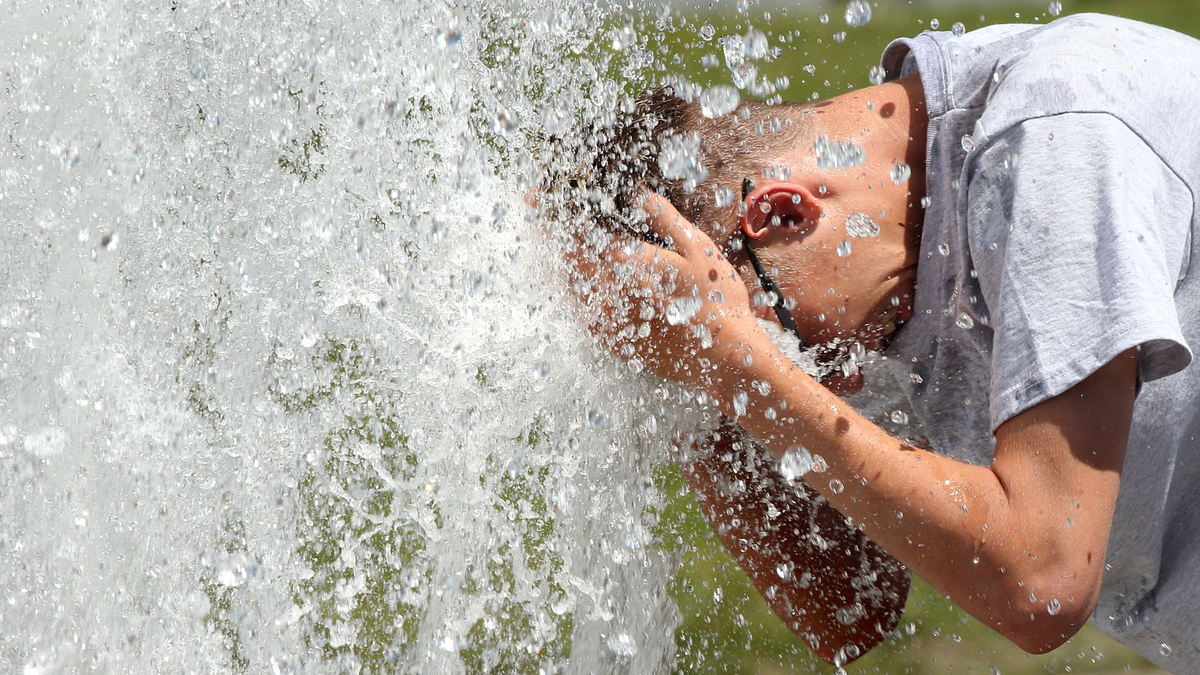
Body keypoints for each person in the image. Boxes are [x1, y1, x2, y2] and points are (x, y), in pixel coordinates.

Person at [546, 12, 1200, 673]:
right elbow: (848, 604)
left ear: (779, 213)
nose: (831, 384)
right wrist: (695, 374)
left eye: (783, 344)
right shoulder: (870, 263)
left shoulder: (1054, 136)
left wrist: (735, 363)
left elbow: (1043, 578)